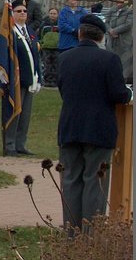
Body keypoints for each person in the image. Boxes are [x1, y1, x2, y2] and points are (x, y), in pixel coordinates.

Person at [57, 14, 133, 232]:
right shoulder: (109, 60)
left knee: (70, 181)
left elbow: (63, 90)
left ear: (80, 33)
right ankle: (91, 237)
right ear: (101, 37)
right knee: (95, 182)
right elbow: (118, 94)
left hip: (70, 126)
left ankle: (71, 234)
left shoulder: (65, 58)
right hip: (99, 129)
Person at [3, 0, 41, 156]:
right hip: (16, 80)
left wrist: (38, 77)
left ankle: (21, 143)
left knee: (25, 115)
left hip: (29, 79)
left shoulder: (30, 32)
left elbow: (36, 55)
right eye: (19, 11)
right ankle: (9, 144)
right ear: (12, 13)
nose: (23, 13)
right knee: (15, 113)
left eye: (25, 11)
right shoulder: (10, 32)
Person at [105, 0, 132, 86]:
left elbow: (128, 24)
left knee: (124, 65)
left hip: (124, 43)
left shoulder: (130, 10)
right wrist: (110, 30)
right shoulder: (111, 10)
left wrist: (115, 31)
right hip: (112, 42)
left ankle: (123, 84)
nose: (118, 1)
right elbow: (106, 22)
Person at [39, 7, 60, 87]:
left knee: (56, 64)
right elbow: (40, 35)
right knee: (47, 64)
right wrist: (41, 43)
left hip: (56, 47)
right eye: (51, 13)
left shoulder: (60, 24)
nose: (52, 15)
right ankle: (47, 80)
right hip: (46, 47)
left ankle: (55, 81)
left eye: (54, 14)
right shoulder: (44, 24)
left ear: (57, 15)